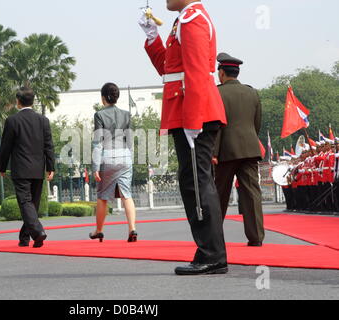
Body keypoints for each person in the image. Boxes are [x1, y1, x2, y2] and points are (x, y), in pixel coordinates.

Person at [140, 0, 228, 275]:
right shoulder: (183, 20)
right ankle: (209, 252)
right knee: (193, 180)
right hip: (186, 108)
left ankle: (212, 254)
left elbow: (198, 71)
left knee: (198, 182)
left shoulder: (193, 19)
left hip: (194, 111)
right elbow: (169, 69)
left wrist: (193, 119)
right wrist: (153, 38)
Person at [212, 52, 265, 247]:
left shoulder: (217, 93)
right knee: (252, 193)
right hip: (250, 149)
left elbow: (216, 125)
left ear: (222, 73)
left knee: (219, 194)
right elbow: (256, 123)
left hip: (226, 151)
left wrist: (214, 152)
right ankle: (256, 237)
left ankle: (214, 236)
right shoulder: (252, 92)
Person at [0, 87, 55, 248]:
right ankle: (24, 238)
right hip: (38, 169)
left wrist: (2, 167)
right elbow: (48, 146)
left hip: (21, 170)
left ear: (18, 101)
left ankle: (38, 232)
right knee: (32, 205)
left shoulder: (12, 121)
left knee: (25, 203)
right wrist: (50, 166)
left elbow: (5, 147)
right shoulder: (43, 120)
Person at [90, 83, 138, 242]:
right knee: (127, 195)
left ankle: (99, 230)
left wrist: (95, 167)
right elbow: (130, 141)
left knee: (102, 196)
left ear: (103, 98)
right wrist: (129, 159)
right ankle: (132, 229)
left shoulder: (99, 115)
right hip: (125, 156)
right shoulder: (126, 114)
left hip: (107, 157)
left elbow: (97, 142)